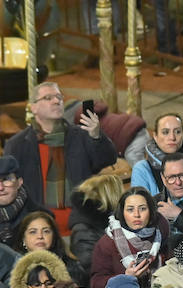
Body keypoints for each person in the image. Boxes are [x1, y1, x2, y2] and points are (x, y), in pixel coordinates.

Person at [3, 83, 116, 222]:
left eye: (59, 97)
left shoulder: (81, 135)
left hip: (80, 224)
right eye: (48, 98)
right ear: (33, 107)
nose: (56, 101)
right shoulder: (17, 145)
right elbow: (8, 187)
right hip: (37, 227)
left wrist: (96, 136)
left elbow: (108, 160)